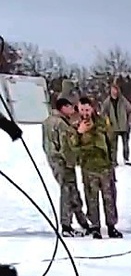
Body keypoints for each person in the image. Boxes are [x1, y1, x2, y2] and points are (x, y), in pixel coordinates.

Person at [68, 97, 121, 239]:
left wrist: (112, 161)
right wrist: (79, 133)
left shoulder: (102, 122)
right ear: (78, 109)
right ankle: (95, 226)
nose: (85, 113)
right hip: (88, 167)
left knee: (109, 197)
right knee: (91, 198)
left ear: (92, 108)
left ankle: (111, 226)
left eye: (87, 109)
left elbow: (111, 142)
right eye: (82, 110)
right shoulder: (75, 125)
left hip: (104, 166)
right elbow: (72, 147)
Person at [42, 98, 90, 237]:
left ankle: (82, 222)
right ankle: (66, 225)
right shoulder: (61, 123)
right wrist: (72, 160)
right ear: (63, 107)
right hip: (63, 162)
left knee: (71, 191)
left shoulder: (48, 121)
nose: (72, 110)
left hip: (54, 160)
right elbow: (67, 145)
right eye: (70, 107)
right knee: (68, 192)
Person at [100, 83, 131, 166]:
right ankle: (113, 161)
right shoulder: (107, 102)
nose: (114, 92)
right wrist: (106, 120)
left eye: (115, 90)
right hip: (113, 127)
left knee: (126, 144)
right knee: (113, 146)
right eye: (112, 90)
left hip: (124, 126)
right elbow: (103, 112)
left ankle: (126, 159)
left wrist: (130, 121)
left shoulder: (123, 101)